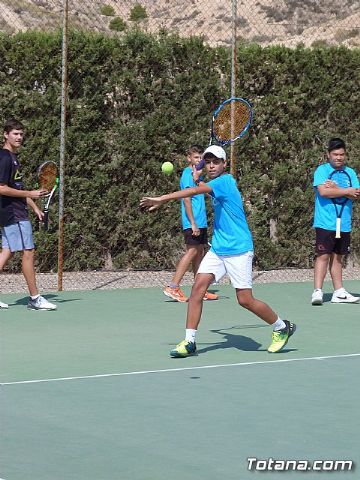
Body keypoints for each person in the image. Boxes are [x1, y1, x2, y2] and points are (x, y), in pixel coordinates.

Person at [141, 145, 296, 356]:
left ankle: (281, 327)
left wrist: (162, 198)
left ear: (224, 164)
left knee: (245, 300)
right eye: (209, 162)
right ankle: (189, 341)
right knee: (197, 289)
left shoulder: (225, 181)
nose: (212, 165)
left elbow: (196, 191)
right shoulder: (214, 182)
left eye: (216, 162)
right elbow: (202, 185)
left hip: (239, 249)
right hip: (219, 249)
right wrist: (199, 176)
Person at [0, 118, 57, 310]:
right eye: (15, 134)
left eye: (21, 134)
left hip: (14, 212)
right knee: (28, 252)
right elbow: (1, 188)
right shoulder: (5, 158)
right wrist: (30, 194)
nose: (19, 137)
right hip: (13, 214)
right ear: (5, 135)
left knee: (7, 252)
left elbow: (18, 188)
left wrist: (34, 206)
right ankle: (35, 299)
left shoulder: (13, 159)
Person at [163, 144, 218, 303]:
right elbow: (186, 199)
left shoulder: (197, 177)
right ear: (189, 158)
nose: (199, 160)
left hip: (201, 222)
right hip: (192, 222)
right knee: (192, 252)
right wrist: (193, 223)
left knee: (199, 253)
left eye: (201, 158)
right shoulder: (187, 175)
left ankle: (199, 289)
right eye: (196, 157)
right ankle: (173, 287)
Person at [311, 137, 360, 306]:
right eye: (335, 154)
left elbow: (356, 194)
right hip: (325, 222)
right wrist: (345, 190)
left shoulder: (350, 172)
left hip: (344, 222)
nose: (339, 157)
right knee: (323, 256)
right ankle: (317, 291)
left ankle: (338, 292)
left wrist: (336, 189)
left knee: (338, 258)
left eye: (342, 154)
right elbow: (324, 192)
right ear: (328, 155)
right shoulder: (321, 171)